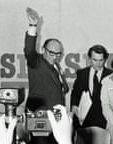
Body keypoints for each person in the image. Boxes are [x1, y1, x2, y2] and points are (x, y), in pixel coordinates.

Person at [24, 8, 69, 144]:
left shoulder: (57, 66)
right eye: (51, 53)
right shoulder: (36, 62)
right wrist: (33, 26)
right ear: (43, 50)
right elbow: (29, 50)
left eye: (58, 54)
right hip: (40, 116)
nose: (55, 57)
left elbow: (61, 89)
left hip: (57, 117)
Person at [70, 45, 113, 144]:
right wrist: (74, 106)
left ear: (105, 59)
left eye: (101, 60)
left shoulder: (111, 75)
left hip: (103, 121)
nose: (98, 63)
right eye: (95, 60)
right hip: (83, 120)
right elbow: (75, 92)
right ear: (89, 59)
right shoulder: (82, 73)